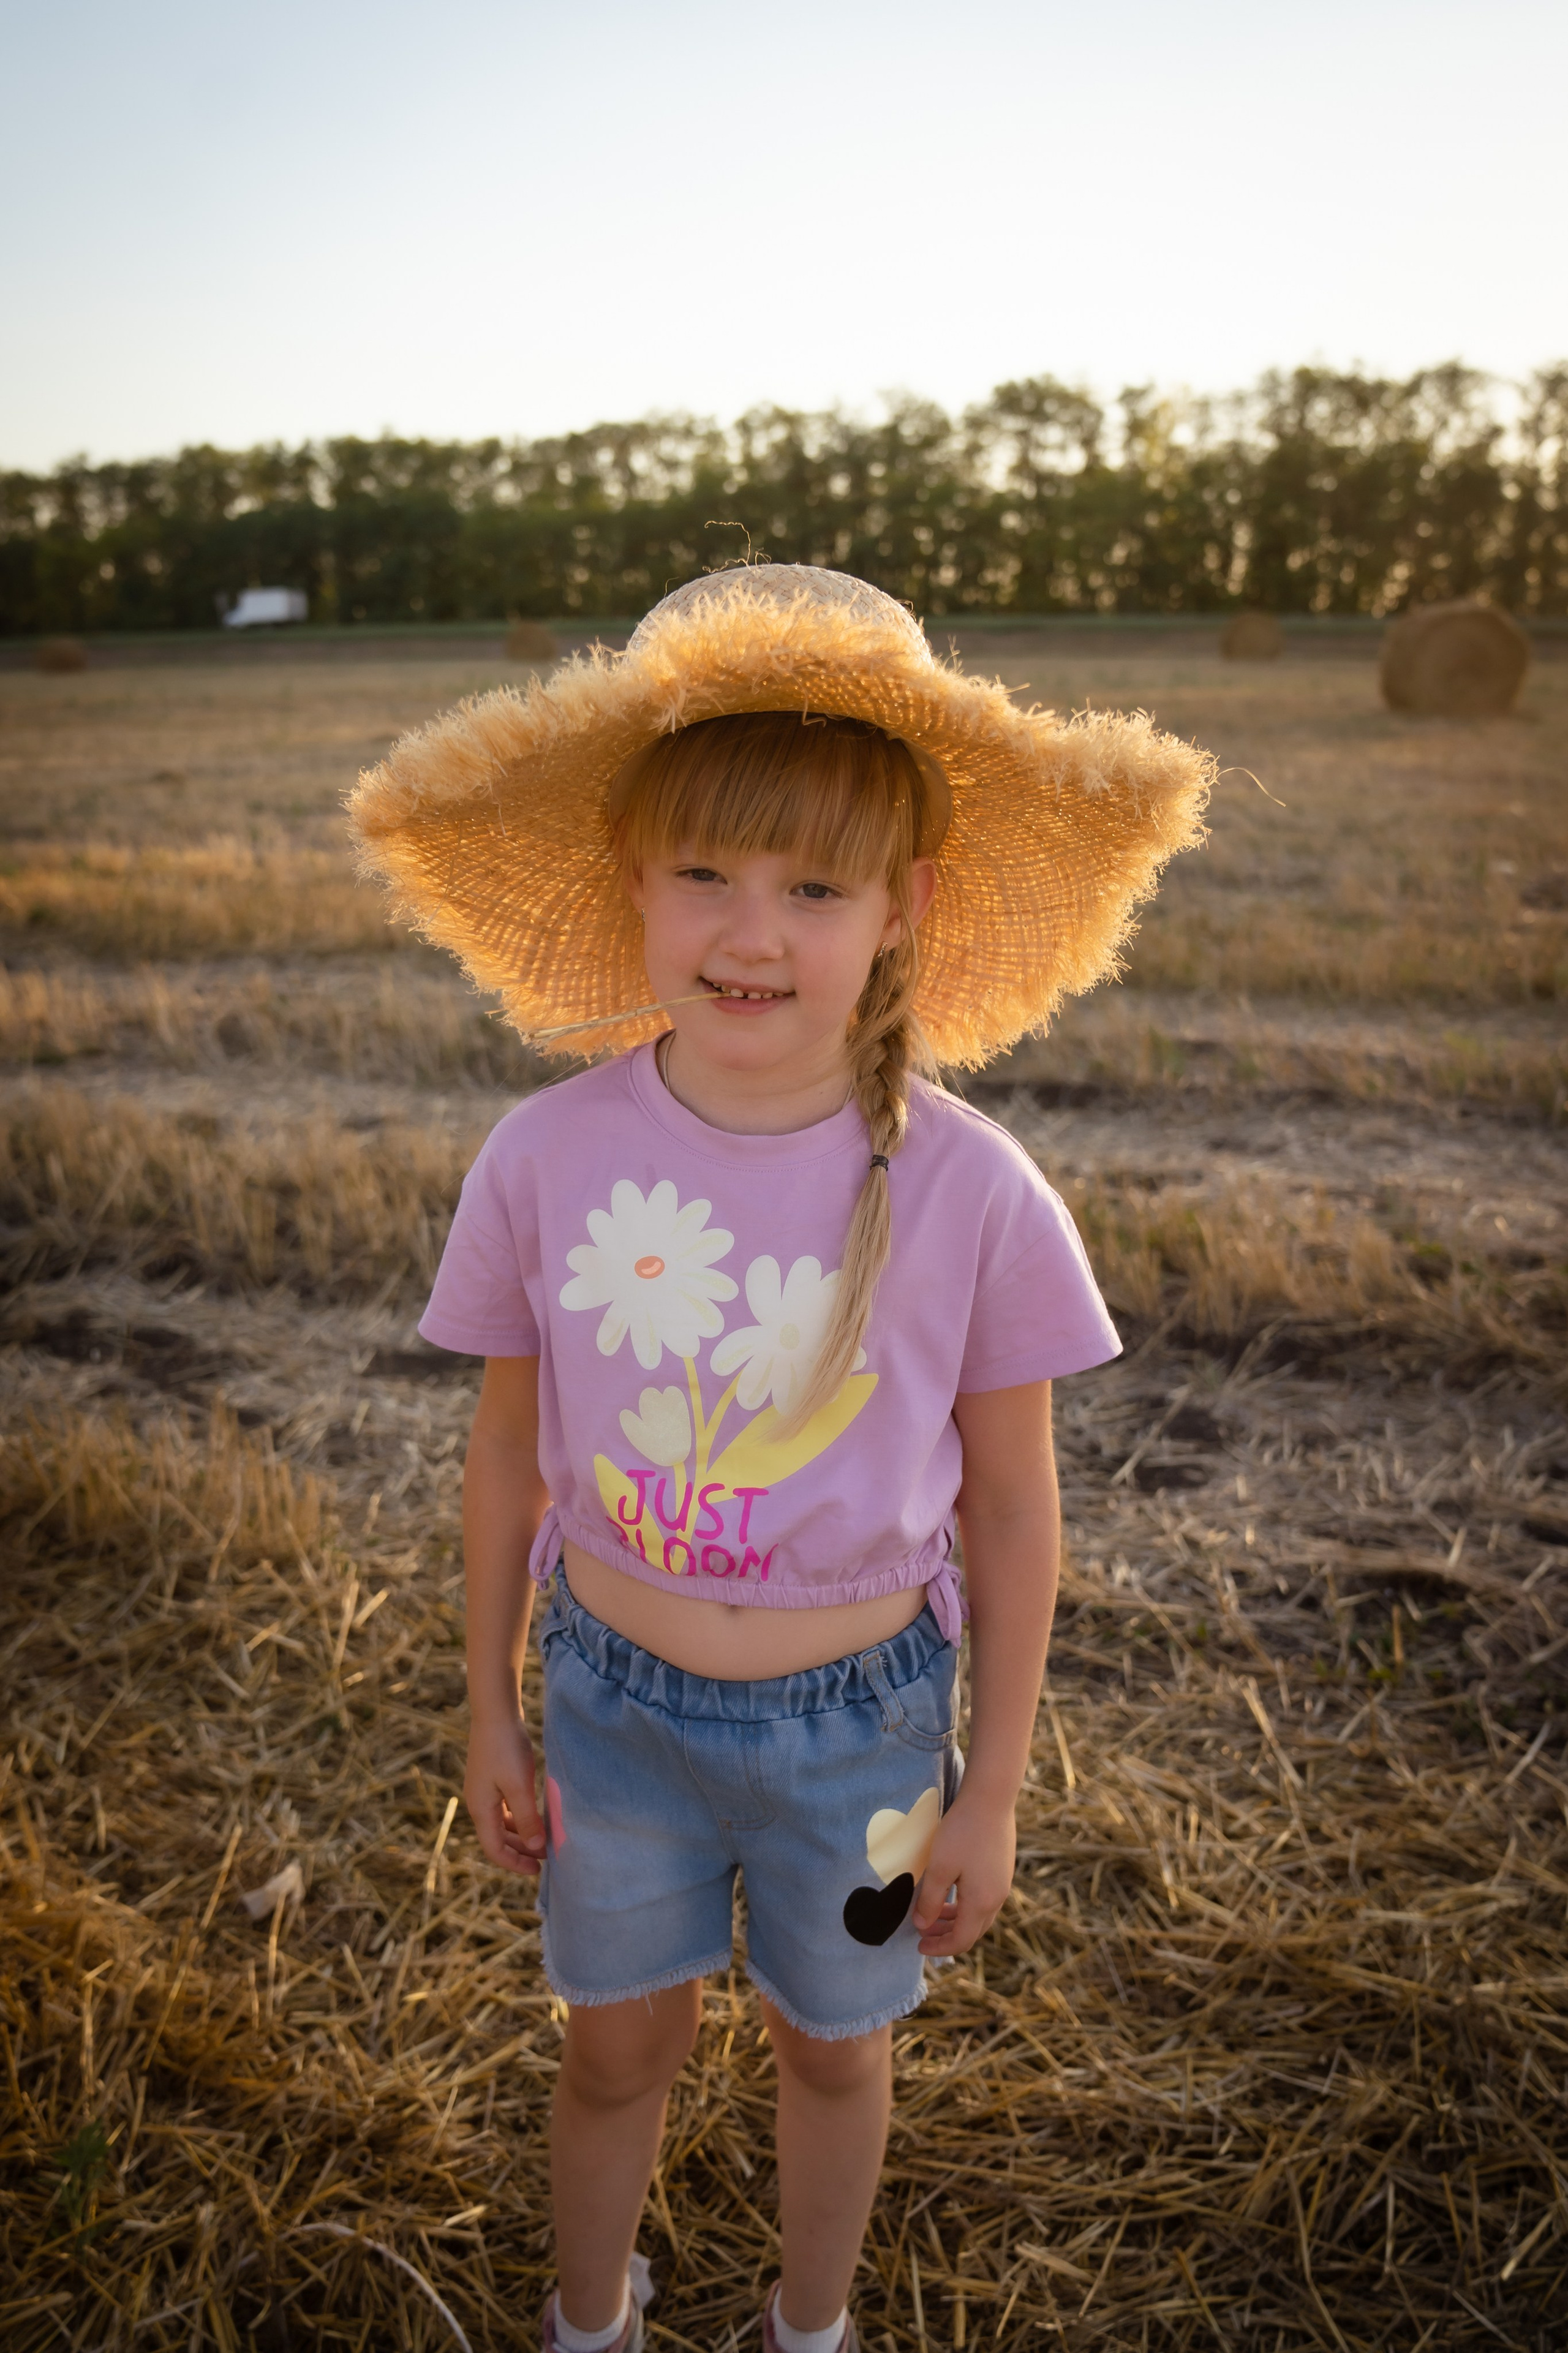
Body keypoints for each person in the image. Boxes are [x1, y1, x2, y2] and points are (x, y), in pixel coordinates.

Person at [350, 565, 1211, 2353]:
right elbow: (508, 1453)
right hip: (611, 1705)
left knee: (837, 2044)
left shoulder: (972, 1190)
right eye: (707, 874)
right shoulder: (543, 1155)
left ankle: (807, 2331)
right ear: (633, 886)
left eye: (814, 885)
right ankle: (592, 2320)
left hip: (868, 1732)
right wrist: (491, 1700)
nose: (755, 930)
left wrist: (993, 1782)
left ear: (902, 908)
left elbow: (1017, 1508)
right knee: (616, 2045)